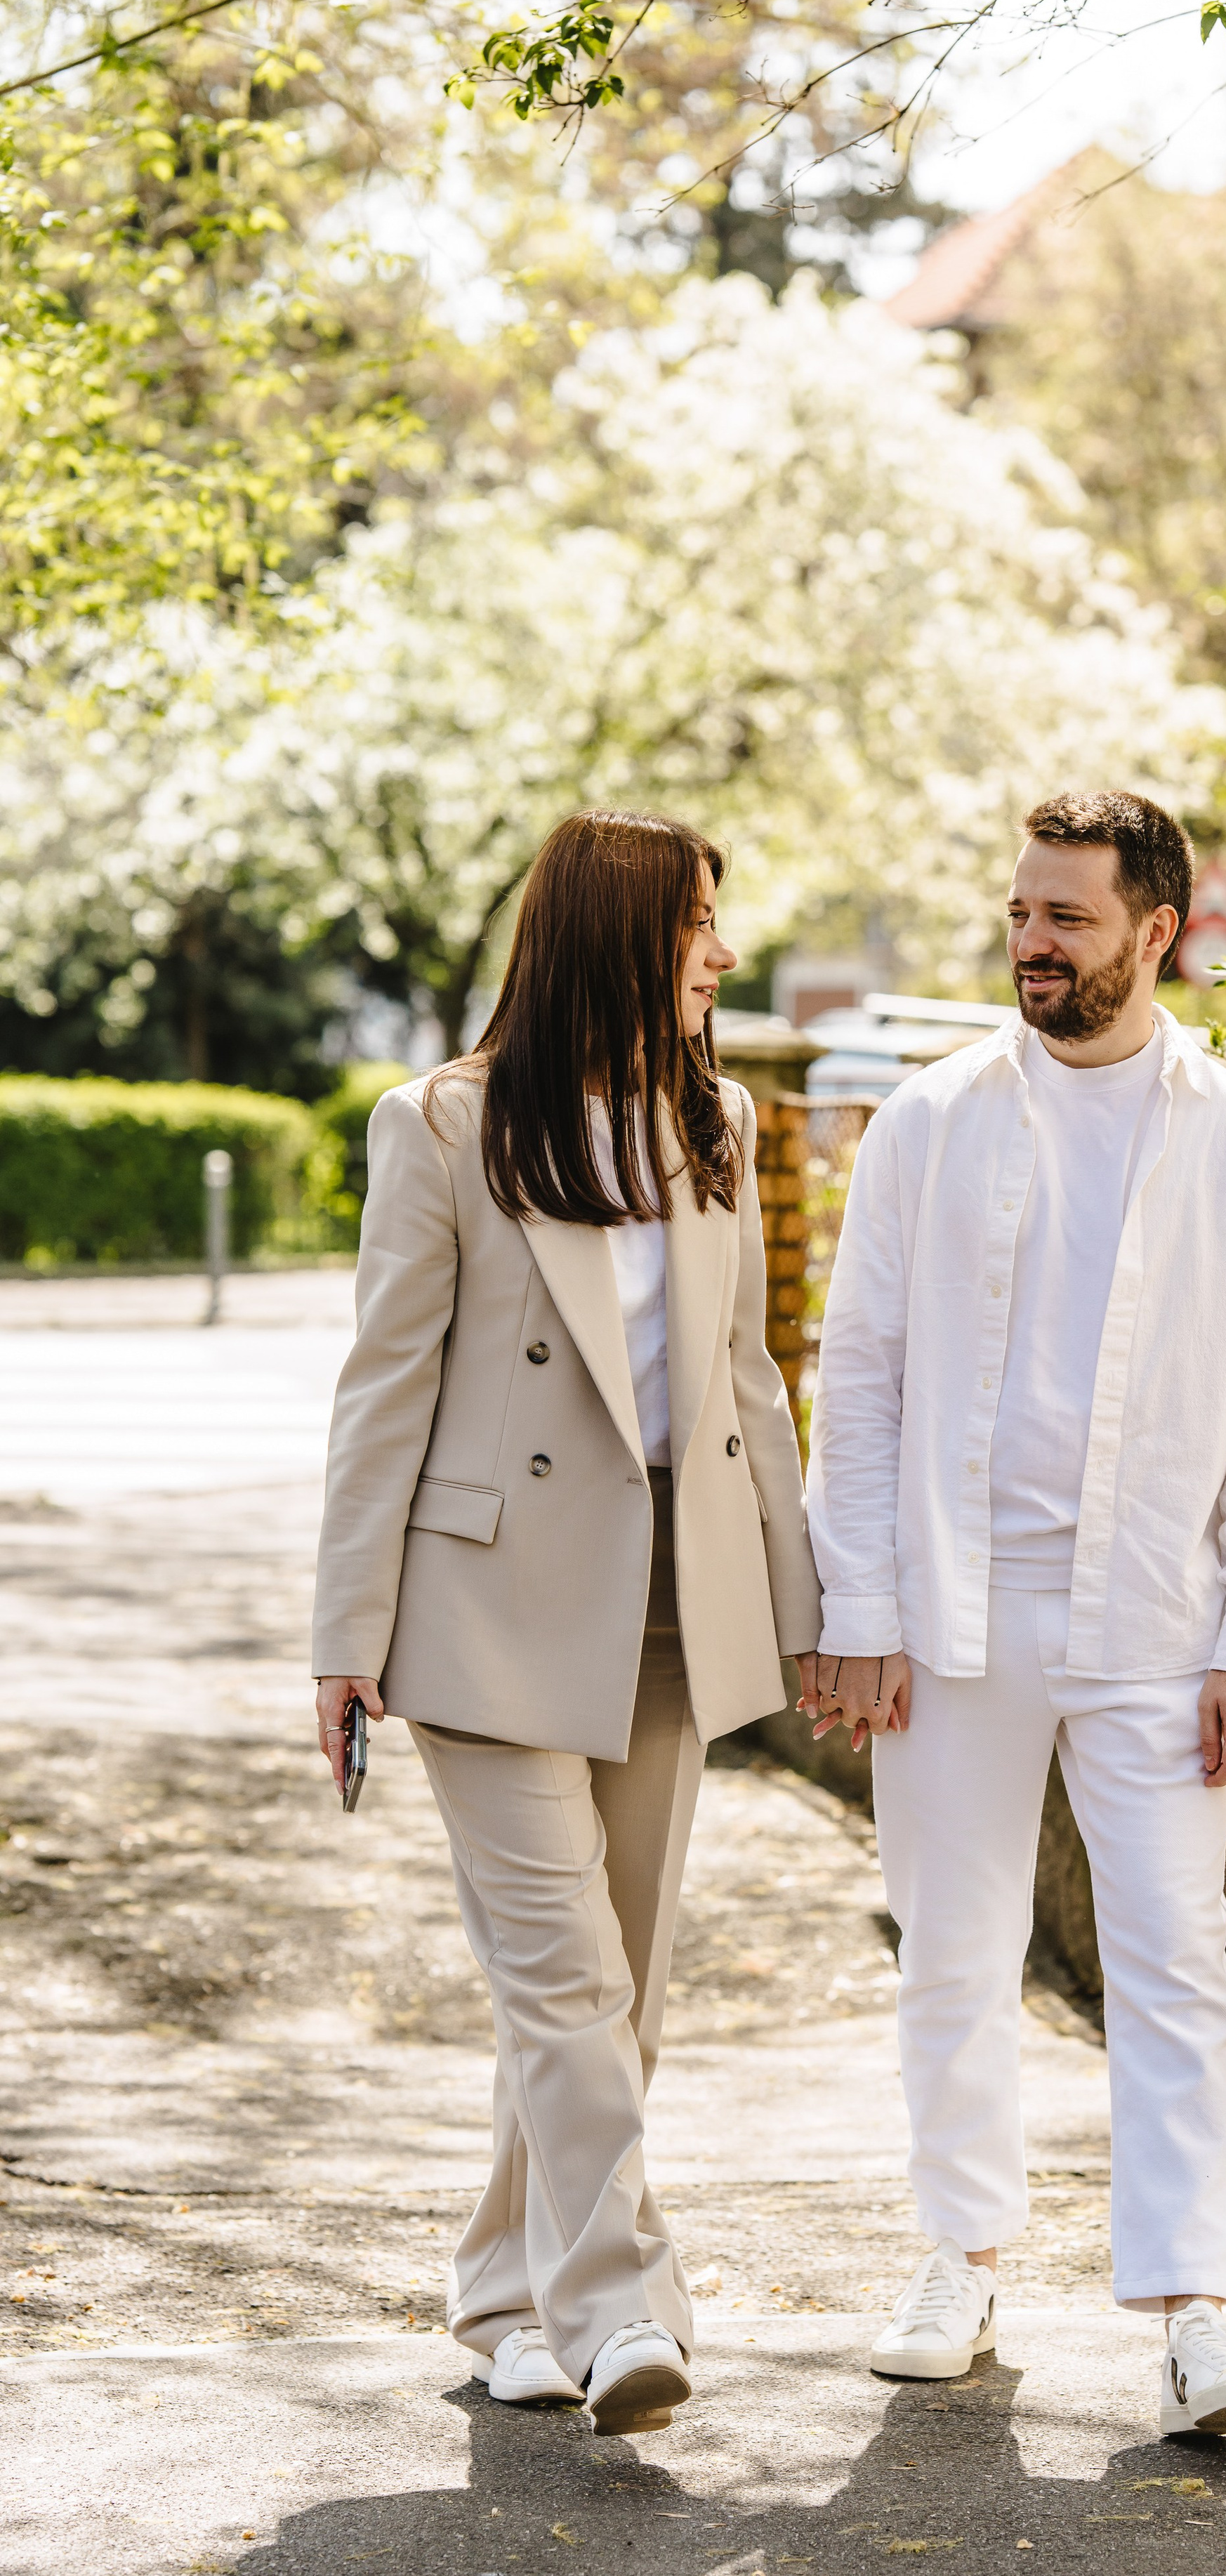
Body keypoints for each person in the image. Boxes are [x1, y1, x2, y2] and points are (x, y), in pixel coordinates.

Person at [806, 790, 1226, 2438]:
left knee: (1175, 1961)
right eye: (1021, 913)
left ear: (1154, 932)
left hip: (1157, 1626)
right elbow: (859, 1379)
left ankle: (1196, 2313)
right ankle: (957, 2255)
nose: (1030, 944)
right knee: (948, 1953)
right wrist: (858, 1603)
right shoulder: (929, 1121)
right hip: (950, 1619)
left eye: (1067, 920)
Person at [312, 809, 821, 2436]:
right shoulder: (445, 1126)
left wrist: (799, 1604)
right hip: (484, 1613)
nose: (721, 955)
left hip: (673, 1606)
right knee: (564, 1984)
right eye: (697, 924)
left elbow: (747, 1381)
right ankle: (622, 2311)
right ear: (619, 932)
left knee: (617, 1994)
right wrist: (344, 1634)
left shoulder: (716, 1121)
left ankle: (504, 2296)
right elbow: (382, 1392)